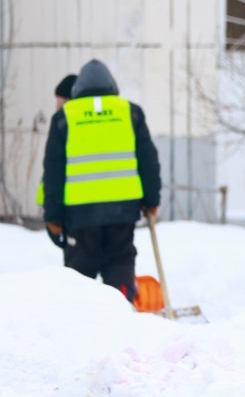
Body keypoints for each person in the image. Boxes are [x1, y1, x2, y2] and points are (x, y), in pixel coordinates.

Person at [42, 60, 161, 301]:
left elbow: (54, 170)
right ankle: (122, 306)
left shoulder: (64, 118)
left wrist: (52, 215)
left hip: (79, 214)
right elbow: (148, 160)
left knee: (80, 274)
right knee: (120, 263)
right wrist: (151, 200)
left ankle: (81, 314)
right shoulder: (130, 112)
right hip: (122, 211)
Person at [37, 74, 78, 212]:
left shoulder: (65, 124)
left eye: (59, 100)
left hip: (65, 203)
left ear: (68, 100)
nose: (56, 106)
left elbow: (54, 166)